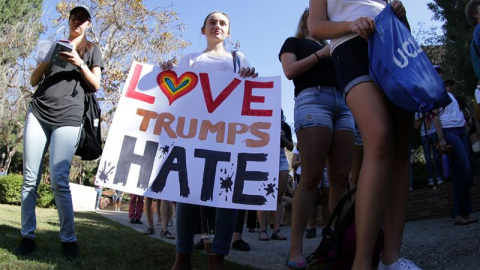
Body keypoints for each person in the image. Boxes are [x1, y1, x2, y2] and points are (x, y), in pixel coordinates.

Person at [308, 1, 420, 270]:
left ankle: (391, 258)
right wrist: (351, 24)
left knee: (401, 146)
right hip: (350, 47)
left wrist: (400, 16)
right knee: (379, 137)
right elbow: (316, 26)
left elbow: (399, 23)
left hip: (393, 45)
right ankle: (361, 263)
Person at [160, 11, 258, 270]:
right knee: (187, 193)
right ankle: (182, 256)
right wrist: (163, 73)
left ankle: (217, 257)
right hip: (194, 136)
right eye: (212, 22)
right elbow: (176, 94)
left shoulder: (239, 59)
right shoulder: (191, 58)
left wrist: (250, 78)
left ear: (228, 32)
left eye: (222, 23)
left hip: (227, 137)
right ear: (203, 30)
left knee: (227, 196)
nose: (217, 26)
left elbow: (249, 94)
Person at [14, 5, 103, 259]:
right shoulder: (54, 45)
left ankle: (68, 239)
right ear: (69, 20)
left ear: (89, 25)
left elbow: (95, 85)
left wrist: (79, 64)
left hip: (69, 117)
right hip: (39, 111)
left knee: (59, 180)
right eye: (75, 17)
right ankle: (27, 236)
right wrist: (47, 59)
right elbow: (33, 81)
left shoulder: (92, 50)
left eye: (83, 18)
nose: (78, 21)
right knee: (29, 179)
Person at [280, 8, 355, 269]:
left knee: (340, 178)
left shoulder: (337, 46)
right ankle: (295, 250)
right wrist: (320, 53)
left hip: (343, 103)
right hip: (313, 100)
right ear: (307, 20)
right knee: (310, 176)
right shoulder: (294, 43)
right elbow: (290, 71)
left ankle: (340, 245)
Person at [433, 81, 479, 225]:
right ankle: (465, 210)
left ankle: (460, 212)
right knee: (465, 168)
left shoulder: (451, 96)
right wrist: (441, 138)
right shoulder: (435, 95)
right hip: (449, 131)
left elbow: (457, 111)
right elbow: (435, 116)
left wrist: (464, 124)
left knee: (460, 173)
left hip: (461, 130)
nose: (447, 85)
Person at [257, 110, 293, 241]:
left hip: (281, 157)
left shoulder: (285, 126)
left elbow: (291, 147)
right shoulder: (261, 123)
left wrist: (283, 136)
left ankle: (276, 230)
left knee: (278, 197)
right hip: (265, 155)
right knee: (263, 195)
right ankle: (262, 230)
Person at [414, 111, 443, 187]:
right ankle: (430, 179)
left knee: (436, 156)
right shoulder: (417, 111)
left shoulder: (430, 106)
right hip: (424, 135)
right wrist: (422, 116)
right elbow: (416, 126)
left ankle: (439, 177)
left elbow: (437, 117)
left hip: (434, 134)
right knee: (428, 158)